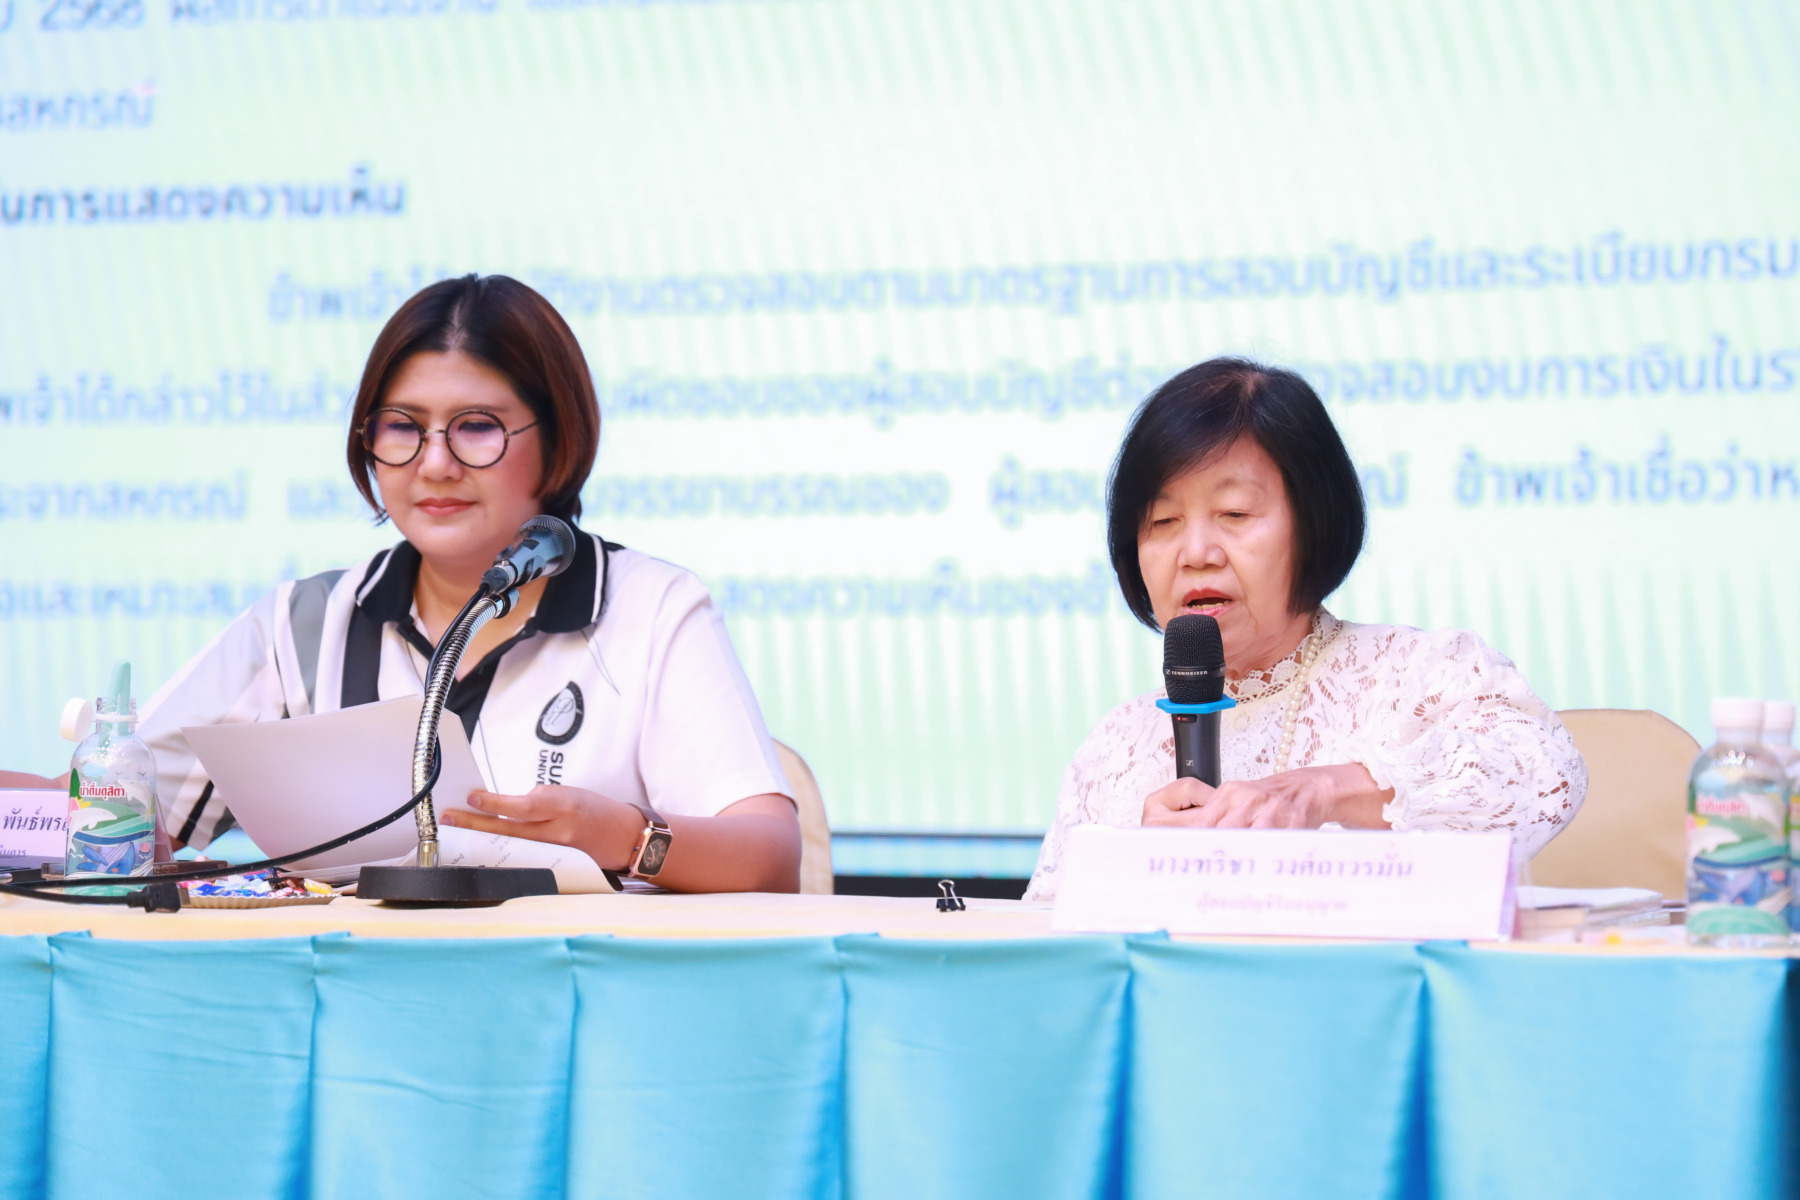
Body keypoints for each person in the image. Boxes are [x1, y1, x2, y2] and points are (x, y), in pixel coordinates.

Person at [137, 275, 800, 893]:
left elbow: (771, 859)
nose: (434, 464)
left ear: (557, 437)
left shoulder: (650, 607)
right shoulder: (304, 624)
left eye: (476, 428)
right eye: (402, 427)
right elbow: (111, 807)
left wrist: (627, 838)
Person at [1024, 358, 1586, 901]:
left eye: (1235, 513)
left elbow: (1545, 776)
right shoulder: (1117, 746)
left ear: (1313, 524)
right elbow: (1042, 938)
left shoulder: (1419, 675)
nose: (1194, 553)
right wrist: (1129, 876)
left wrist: (1322, 791)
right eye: (1163, 521)